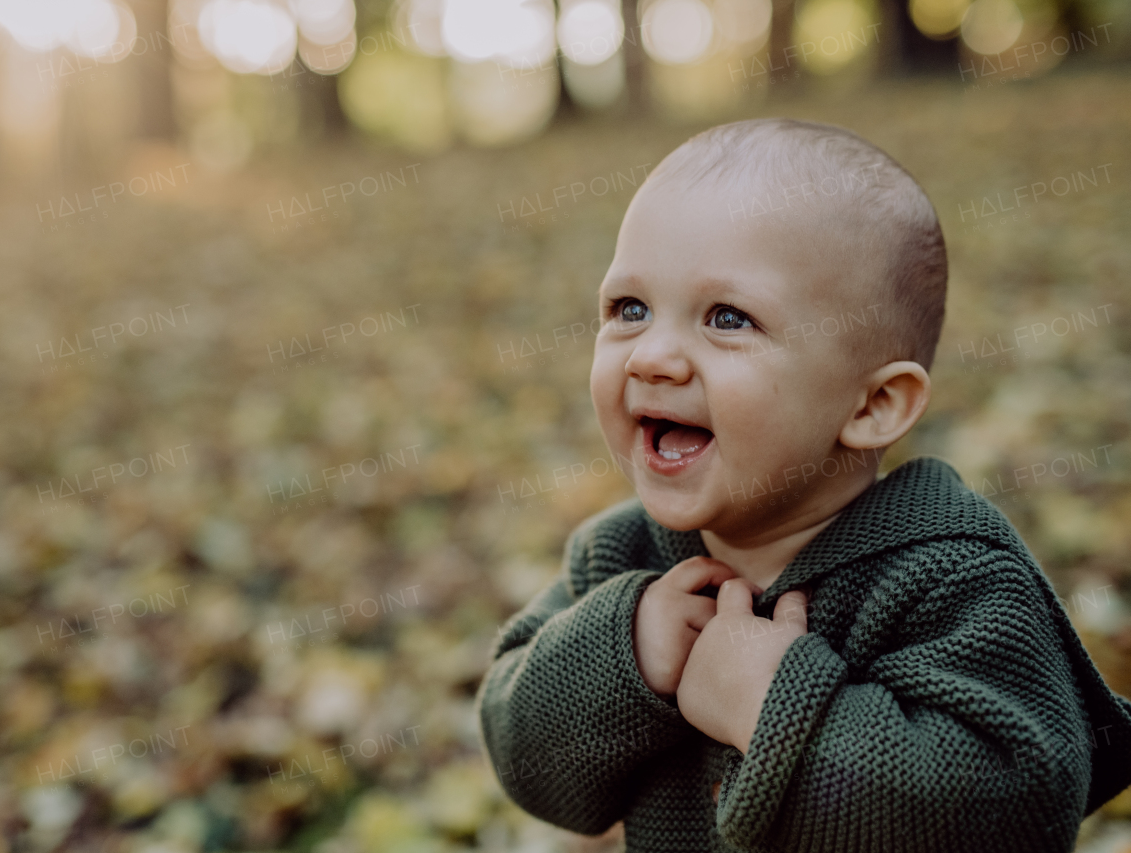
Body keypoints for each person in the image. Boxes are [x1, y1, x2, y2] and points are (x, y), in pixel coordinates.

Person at [476, 118, 1131, 853]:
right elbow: (523, 758)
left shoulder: (951, 577)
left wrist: (776, 707)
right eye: (630, 309)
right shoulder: (620, 557)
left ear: (871, 405)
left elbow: (1017, 809)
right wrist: (620, 657)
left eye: (728, 317)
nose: (653, 355)